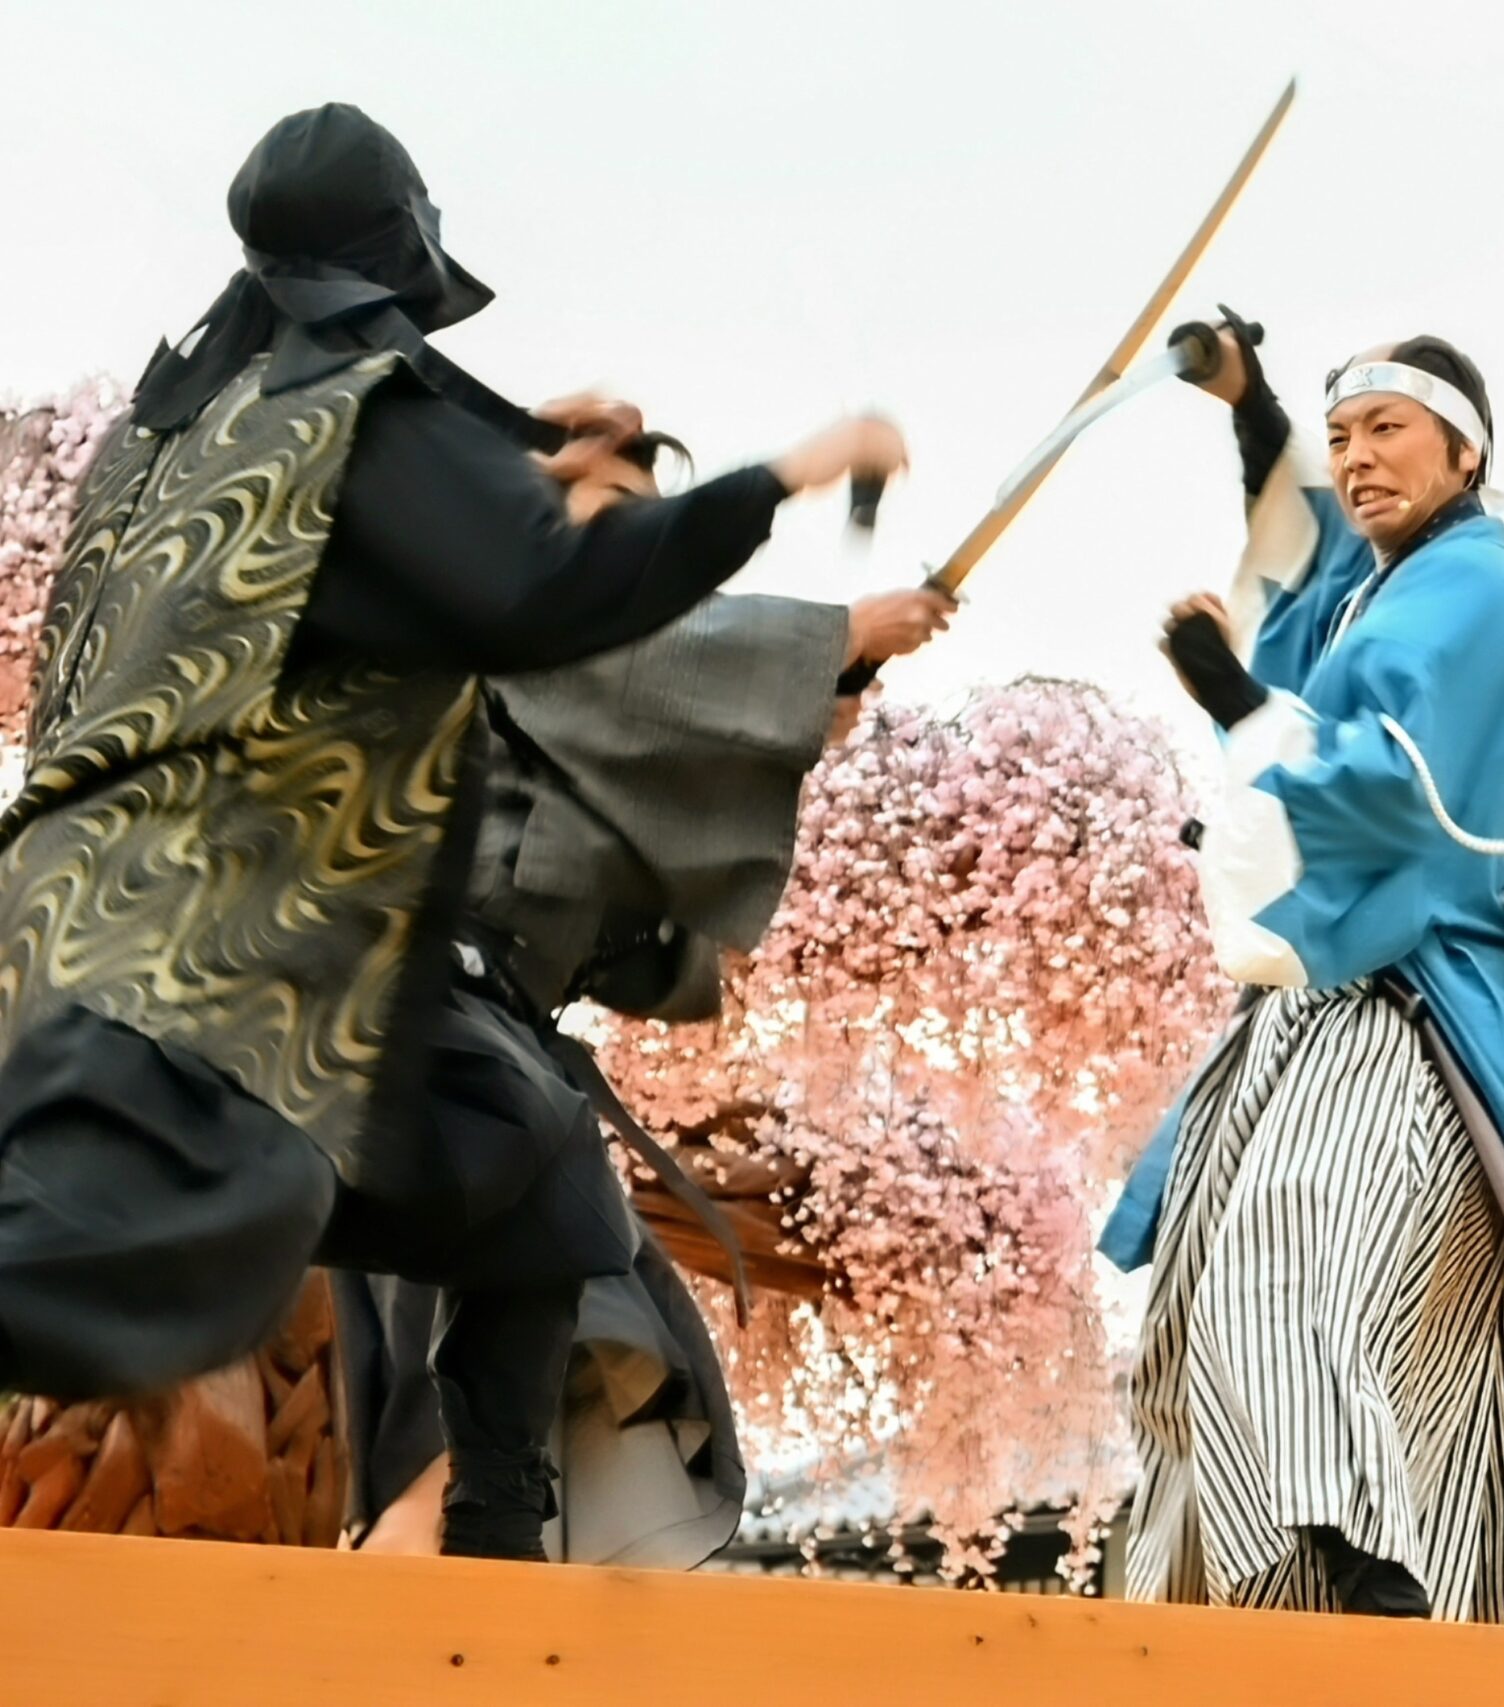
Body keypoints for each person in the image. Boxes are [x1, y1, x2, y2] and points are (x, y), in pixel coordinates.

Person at [0, 103, 904, 1561]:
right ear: (404, 247)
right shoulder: (362, 412)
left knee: (541, 1177)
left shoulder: (182, 434)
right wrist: (790, 486)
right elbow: (551, 599)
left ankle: (496, 1522)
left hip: (109, 935)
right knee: (97, 1272)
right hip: (229, 969)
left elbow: (451, 577)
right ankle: (452, 1520)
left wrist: (555, 475)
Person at [333, 429, 956, 1565]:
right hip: (416, 1028)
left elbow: (639, 885)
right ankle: (418, 1586)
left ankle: (481, 1576)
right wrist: (838, 636)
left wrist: (814, 707)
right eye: (602, 510)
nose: (626, 545)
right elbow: (638, 684)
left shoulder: (570, 698)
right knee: (529, 1341)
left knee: (566, 1322)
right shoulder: (498, 619)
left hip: (494, 1045)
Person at [1099, 312, 1504, 1624]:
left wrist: (1239, 708)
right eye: (1342, 437)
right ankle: (1252, 1609)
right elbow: (1299, 560)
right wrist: (1249, 404)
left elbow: (1389, 783)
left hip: (1413, 1000)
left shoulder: (1477, 585)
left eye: (1388, 430)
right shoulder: (1374, 584)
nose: (1357, 457)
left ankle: (1367, 1563)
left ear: (1465, 453)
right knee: (1199, 1301)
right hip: (1307, 1005)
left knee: (1291, 1243)